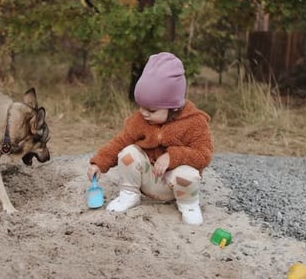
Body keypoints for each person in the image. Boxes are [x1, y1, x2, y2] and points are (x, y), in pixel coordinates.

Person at [87, 52, 213, 225]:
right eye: (141, 107)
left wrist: (173, 156)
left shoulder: (194, 123)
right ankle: (129, 194)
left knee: (188, 172)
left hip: (175, 185)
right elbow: (120, 141)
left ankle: (189, 205)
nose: (144, 113)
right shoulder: (140, 120)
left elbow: (204, 155)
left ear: (173, 107)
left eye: (152, 110)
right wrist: (99, 162)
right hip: (148, 180)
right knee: (127, 152)